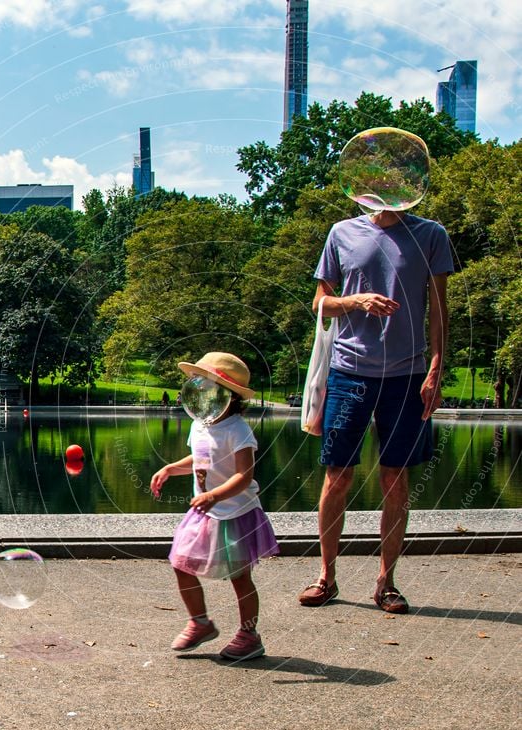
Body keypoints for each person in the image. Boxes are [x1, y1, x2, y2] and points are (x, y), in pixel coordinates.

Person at [298, 206, 454, 614]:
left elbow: (439, 307)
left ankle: (387, 582)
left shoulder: (430, 234)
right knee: (337, 476)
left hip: (407, 374)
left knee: (395, 479)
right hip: (349, 371)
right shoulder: (341, 233)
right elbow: (320, 304)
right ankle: (326, 577)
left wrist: (437, 367)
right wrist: (356, 301)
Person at [150, 352, 279, 659]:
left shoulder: (238, 430)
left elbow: (243, 476)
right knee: (180, 562)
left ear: (229, 396)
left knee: (240, 576)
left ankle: (249, 635)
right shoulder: (201, 425)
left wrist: (213, 495)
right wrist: (171, 468)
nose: (202, 392)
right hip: (205, 512)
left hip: (236, 513)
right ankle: (199, 622)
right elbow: (201, 459)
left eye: (210, 386)